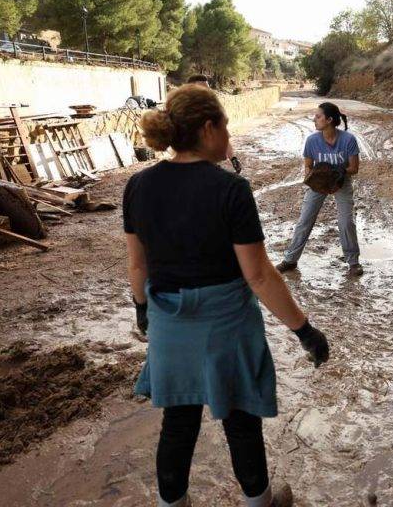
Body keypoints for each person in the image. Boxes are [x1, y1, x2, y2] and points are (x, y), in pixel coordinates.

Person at [126, 84, 330, 507]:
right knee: (241, 423)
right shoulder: (231, 189)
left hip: (169, 325)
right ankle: (260, 503)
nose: (229, 136)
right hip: (227, 327)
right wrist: (304, 330)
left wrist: (143, 310)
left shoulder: (138, 186)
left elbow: (138, 266)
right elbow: (258, 275)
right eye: (226, 127)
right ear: (207, 129)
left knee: (178, 425)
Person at [276, 102, 363, 277]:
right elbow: (308, 166)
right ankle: (290, 260)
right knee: (305, 220)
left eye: (318, 116)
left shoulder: (348, 140)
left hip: (341, 182)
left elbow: (354, 168)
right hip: (319, 183)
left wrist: (338, 172)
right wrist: (314, 179)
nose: (314, 120)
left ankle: (353, 263)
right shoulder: (312, 141)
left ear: (329, 120)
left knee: (346, 222)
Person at [187, 74, 242, 174]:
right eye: (202, 89)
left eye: (208, 89)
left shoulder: (212, 111)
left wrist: (233, 159)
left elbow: (223, 138)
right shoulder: (180, 113)